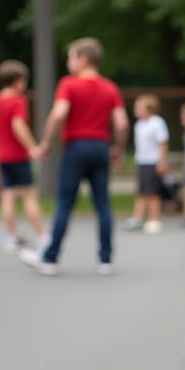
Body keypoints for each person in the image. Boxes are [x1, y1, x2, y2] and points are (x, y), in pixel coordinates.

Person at [21, 37, 128, 277]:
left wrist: (46, 142)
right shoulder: (110, 87)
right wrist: (118, 149)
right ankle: (106, 260)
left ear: (83, 59)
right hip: (101, 147)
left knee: (65, 204)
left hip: (76, 148)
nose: (68, 63)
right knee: (103, 205)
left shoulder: (69, 84)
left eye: (70, 58)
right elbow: (121, 123)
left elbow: (58, 114)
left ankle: (50, 259)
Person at [0, 60, 47, 254]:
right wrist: (33, 147)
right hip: (18, 156)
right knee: (29, 196)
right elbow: (18, 125)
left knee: (7, 196)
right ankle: (43, 235)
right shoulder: (18, 101)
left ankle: (11, 236)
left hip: (2, 157)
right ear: (18, 81)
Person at [123, 94, 169, 235]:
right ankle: (138, 218)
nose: (136, 109)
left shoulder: (157, 123)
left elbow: (163, 143)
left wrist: (162, 161)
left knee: (153, 192)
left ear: (149, 109)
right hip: (142, 161)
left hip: (153, 161)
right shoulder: (139, 124)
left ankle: (154, 220)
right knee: (141, 191)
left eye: (139, 107)